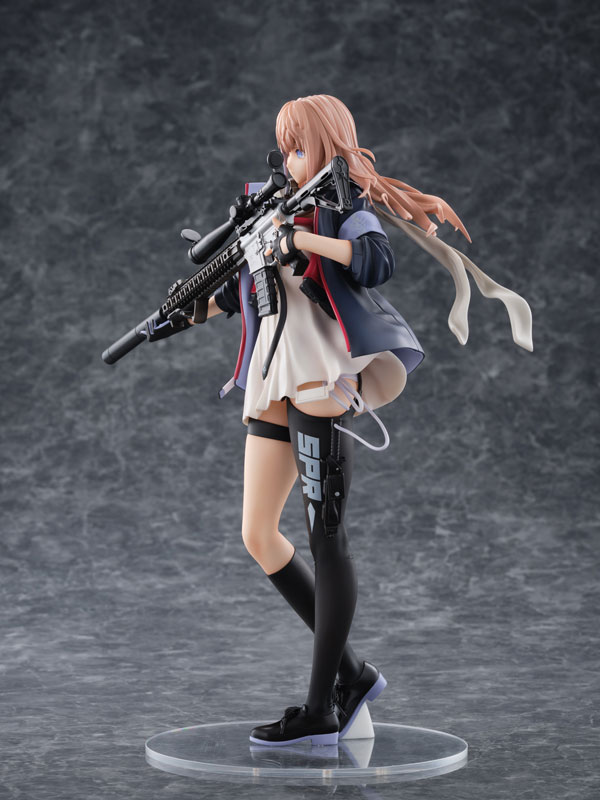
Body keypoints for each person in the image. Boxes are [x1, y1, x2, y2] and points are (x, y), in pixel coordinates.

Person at [191, 94, 533, 746]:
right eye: (285, 149)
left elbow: (375, 260)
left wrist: (300, 239)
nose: (290, 161)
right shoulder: (270, 208)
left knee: (327, 539)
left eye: (300, 148)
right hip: (274, 376)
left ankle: (322, 706)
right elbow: (245, 292)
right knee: (258, 534)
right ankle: (354, 676)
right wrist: (190, 309)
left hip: (322, 378)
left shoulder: (343, 206)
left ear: (327, 146)